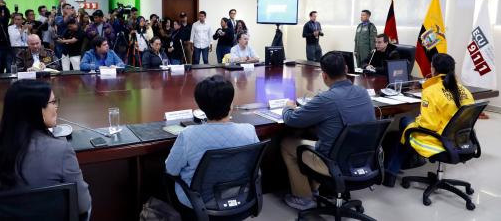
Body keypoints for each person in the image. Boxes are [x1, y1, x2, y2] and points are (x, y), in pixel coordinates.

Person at [0, 80, 91, 216]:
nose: (56, 107)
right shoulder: (61, 151)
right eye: (53, 102)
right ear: (38, 110)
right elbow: (83, 205)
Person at [280, 51, 375, 210]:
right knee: (324, 138)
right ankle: (315, 189)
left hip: (335, 164)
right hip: (362, 159)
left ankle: (304, 198)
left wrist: (288, 107)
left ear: (324, 76)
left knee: (287, 143)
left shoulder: (326, 99)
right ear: (345, 68)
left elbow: (291, 120)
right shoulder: (363, 92)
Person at [165, 75, 259, 208]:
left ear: (201, 107)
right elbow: (255, 169)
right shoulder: (249, 131)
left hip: (201, 202)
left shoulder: (188, 135)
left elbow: (171, 170)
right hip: (240, 195)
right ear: (231, 104)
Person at [383, 53, 475, 187]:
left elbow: (428, 125)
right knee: (406, 126)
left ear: (433, 69)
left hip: (439, 139)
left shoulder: (431, 91)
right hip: (461, 139)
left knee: (405, 126)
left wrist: (416, 121)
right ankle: (392, 171)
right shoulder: (465, 91)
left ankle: (390, 173)